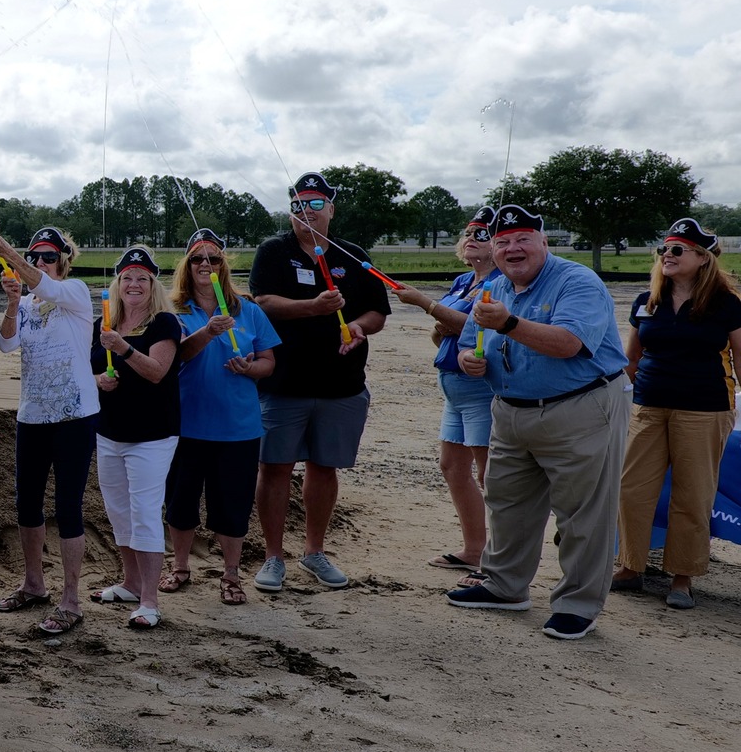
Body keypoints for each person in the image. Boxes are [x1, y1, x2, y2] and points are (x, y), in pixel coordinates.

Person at [447, 204, 631, 640]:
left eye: (522, 239)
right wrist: (467, 360)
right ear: (493, 248)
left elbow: (568, 343)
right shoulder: (494, 287)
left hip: (581, 408)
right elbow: (469, 341)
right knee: (507, 503)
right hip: (511, 412)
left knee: (583, 513)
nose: (512, 248)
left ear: (543, 243)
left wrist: (509, 324)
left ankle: (577, 605)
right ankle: (504, 585)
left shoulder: (576, 282)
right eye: (503, 241)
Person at [246, 171, 390, 592]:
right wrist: (314, 308)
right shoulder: (274, 250)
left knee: (324, 467)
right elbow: (264, 303)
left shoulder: (353, 254)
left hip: (341, 384)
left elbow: (377, 312)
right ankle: (273, 556)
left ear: (330, 208)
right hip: (284, 382)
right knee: (274, 467)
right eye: (297, 205)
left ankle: (314, 551)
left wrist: (358, 328)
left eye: (313, 204)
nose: (304, 212)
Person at [614, 218, 741, 610]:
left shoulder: (726, 304)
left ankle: (682, 577)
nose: (666, 256)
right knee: (632, 488)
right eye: (664, 249)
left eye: (677, 250)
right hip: (649, 404)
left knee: (693, 494)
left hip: (705, 408)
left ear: (703, 259)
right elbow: (630, 360)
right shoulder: (645, 300)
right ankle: (630, 566)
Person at [0, 226, 97, 635]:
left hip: (74, 418)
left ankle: (71, 599)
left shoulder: (76, 293)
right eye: (35, 256)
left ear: (63, 261)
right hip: (32, 416)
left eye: (48, 256)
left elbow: (46, 286)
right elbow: (5, 345)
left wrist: (10, 254)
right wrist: (13, 304)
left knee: (68, 508)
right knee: (26, 504)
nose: (39, 262)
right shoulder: (31, 301)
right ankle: (34, 585)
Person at [167, 230, 279, 606]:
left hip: (237, 427)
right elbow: (174, 358)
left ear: (223, 266)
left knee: (231, 505)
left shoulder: (248, 310)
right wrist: (205, 332)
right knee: (180, 502)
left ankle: (231, 575)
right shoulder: (173, 309)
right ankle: (180, 567)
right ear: (186, 266)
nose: (204, 265)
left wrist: (250, 368)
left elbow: (268, 362)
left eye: (212, 259)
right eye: (196, 259)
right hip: (185, 424)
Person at [389, 206, 499, 570]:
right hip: (453, 386)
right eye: (468, 233)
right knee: (452, 466)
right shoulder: (461, 282)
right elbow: (451, 333)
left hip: (482, 389)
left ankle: (499, 559)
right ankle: (474, 548)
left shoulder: (498, 284)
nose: (471, 239)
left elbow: (470, 324)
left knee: (489, 474)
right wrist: (441, 329)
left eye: (482, 234)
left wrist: (426, 303)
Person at [92, 247, 183, 629]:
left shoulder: (164, 323)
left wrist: (124, 349)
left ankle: (150, 600)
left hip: (152, 434)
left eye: (141, 279)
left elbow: (157, 371)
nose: (133, 284)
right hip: (109, 432)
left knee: (145, 512)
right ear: (117, 283)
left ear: (152, 285)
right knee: (118, 510)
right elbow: (90, 369)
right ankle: (130, 583)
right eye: (127, 277)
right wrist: (99, 380)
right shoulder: (105, 321)